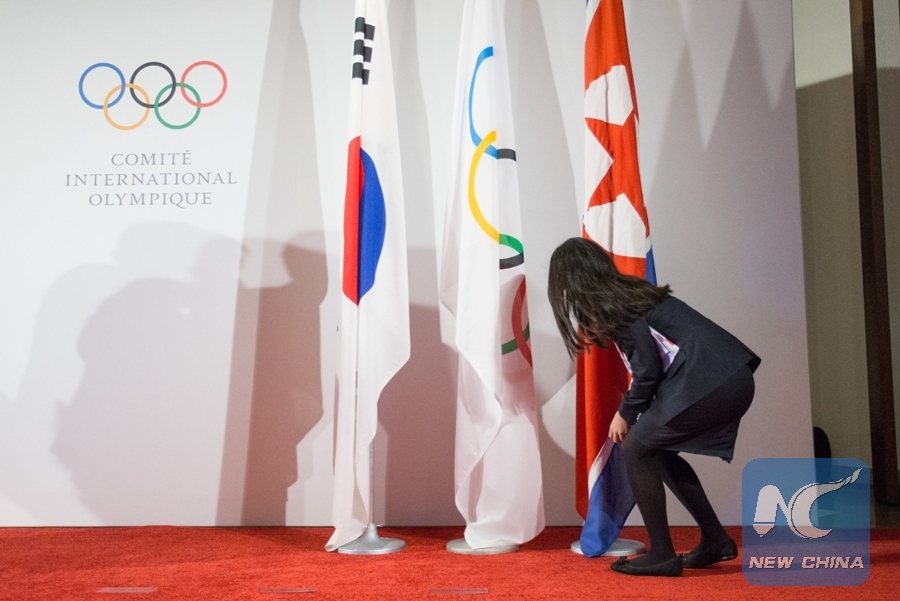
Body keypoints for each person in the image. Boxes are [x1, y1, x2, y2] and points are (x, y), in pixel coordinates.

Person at [548, 238, 760, 577]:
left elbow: (647, 369)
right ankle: (716, 540)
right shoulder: (627, 294)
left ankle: (662, 554)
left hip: (713, 379)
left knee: (635, 447)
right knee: (654, 451)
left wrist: (625, 413)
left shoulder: (617, 305)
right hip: (728, 376)